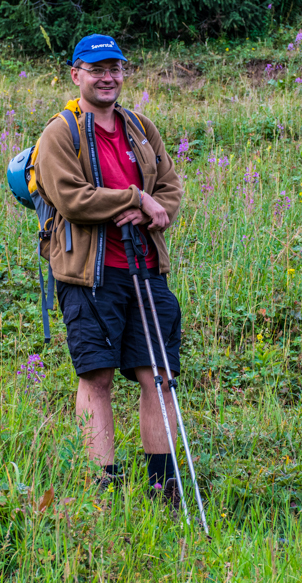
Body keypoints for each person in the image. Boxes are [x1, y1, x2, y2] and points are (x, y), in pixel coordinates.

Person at [33, 34, 184, 502]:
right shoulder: (60, 132)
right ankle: (100, 485)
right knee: (95, 376)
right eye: (96, 69)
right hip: (87, 273)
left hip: (145, 267)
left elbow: (172, 188)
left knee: (157, 376)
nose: (108, 77)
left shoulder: (141, 126)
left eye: (115, 67)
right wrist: (134, 197)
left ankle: (163, 487)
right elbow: (72, 199)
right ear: (75, 74)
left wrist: (150, 207)